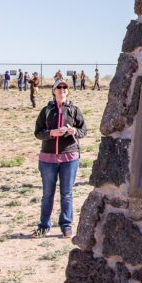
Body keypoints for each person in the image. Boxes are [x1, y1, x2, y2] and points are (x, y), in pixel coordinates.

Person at [33, 79, 87, 238]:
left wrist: (74, 132)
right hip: (47, 159)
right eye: (59, 87)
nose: (62, 89)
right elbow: (38, 132)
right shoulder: (46, 111)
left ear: (67, 91)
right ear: (54, 90)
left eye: (65, 87)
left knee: (67, 193)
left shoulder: (74, 110)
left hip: (69, 158)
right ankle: (44, 226)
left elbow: (83, 131)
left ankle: (66, 226)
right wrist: (50, 133)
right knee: (47, 194)